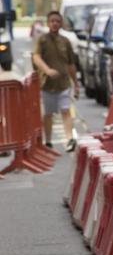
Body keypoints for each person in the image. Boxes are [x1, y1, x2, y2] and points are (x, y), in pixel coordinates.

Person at [32, 10, 78, 152]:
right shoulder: (42, 40)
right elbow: (36, 57)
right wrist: (47, 70)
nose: (55, 24)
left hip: (64, 83)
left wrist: (76, 84)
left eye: (57, 21)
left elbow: (71, 64)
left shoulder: (65, 41)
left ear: (61, 23)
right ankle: (49, 141)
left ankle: (69, 139)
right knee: (48, 113)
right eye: (52, 21)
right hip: (47, 85)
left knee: (65, 110)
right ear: (48, 23)